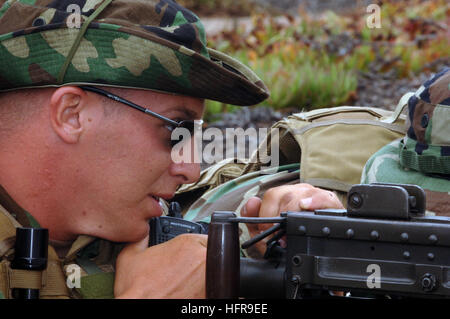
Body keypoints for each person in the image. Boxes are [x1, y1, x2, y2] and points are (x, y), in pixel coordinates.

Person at [0, 0, 342, 299]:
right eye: (176, 129)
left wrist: (280, 253)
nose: (189, 168)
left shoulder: (144, 236)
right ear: (72, 115)